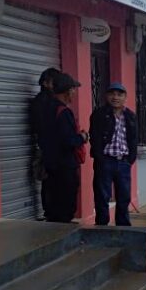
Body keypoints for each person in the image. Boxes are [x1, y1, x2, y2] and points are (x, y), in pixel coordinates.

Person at [89, 82, 138, 226]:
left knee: (124, 197)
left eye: (119, 94)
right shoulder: (99, 114)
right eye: (112, 94)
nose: (115, 97)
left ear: (125, 97)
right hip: (105, 161)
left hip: (123, 162)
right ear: (106, 96)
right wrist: (99, 157)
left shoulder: (130, 116)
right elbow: (94, 137)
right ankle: (102, 227)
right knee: (102, 197)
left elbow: (134, 138)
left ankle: (123, 228)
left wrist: (130, 159)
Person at [41, 73, 88, 223]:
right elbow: (68, 140)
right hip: (65, 166)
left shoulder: (45, 108)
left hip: (50, 164)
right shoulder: (64, 112)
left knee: (53, 207)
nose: (74, 93)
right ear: (68, 91)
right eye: (73, 89)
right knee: (65, 207)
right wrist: (82, 137)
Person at [30, 67, 60, 219]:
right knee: (48, 182)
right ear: (46, 83)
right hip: (47, 148)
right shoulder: (42, 102)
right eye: (55, 82)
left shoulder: (51, 100)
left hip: (50, 147)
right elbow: (41, 126)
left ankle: (52, 213)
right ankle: (50, 214)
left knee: (52, 182)